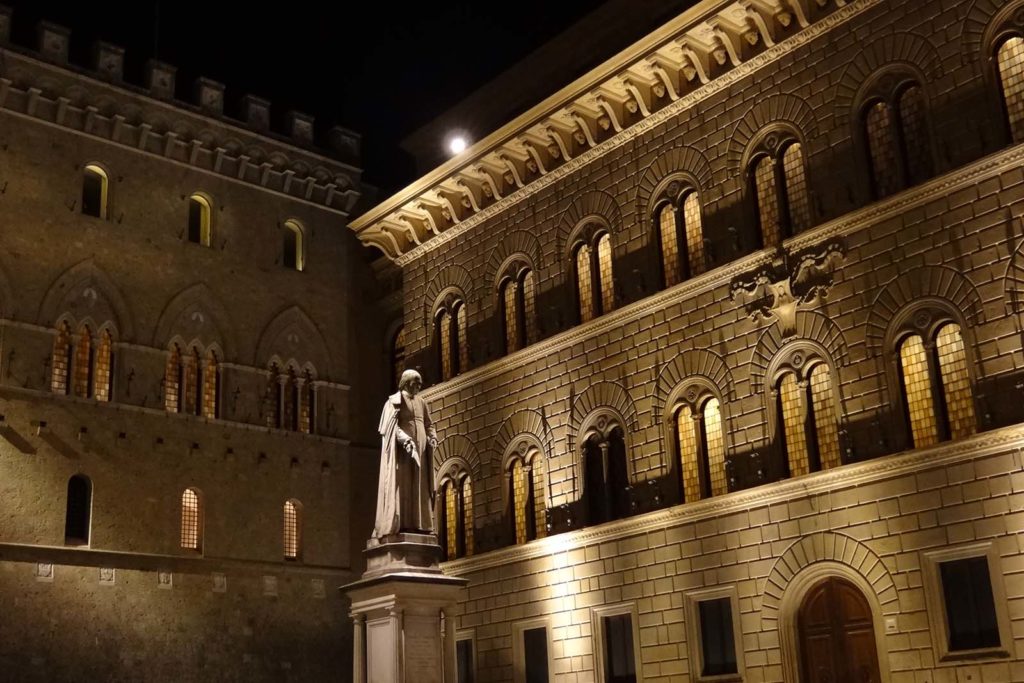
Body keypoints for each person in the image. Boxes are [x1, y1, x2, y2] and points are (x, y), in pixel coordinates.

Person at [373, 369, 438, 538]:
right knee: (403, 487)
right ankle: (403, 524)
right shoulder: (394, 402)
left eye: (419, 383)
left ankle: (419, 524)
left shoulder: (421, 402)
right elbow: (390, 427)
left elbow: (428, 424)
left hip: (421, 452)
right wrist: (405, 440)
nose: (418, 386)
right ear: (406, 382)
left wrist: (432, 437)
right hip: (402, 453)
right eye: (415, 383)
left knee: (419, 487)